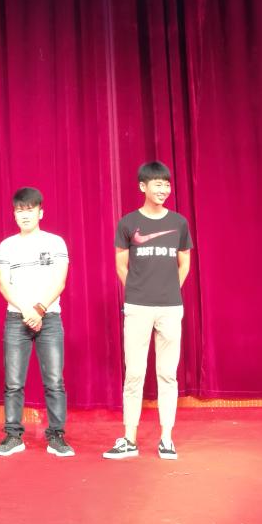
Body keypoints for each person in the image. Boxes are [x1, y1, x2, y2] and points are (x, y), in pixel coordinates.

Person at [104, 161, 193, 460]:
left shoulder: (179, 223)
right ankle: (129, 438)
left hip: (170, 308)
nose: (163, 189)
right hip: (138, 307)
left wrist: (170, 290)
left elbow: (184, 262)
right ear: (143, 186)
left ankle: (166, 438)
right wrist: (138, 292)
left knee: (167, 374)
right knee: (134, 373)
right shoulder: (128, 223)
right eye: (157, 184)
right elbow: (121, 265)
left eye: (167, 184)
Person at [0, 187, 74, 457]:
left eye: (29, 210)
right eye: (19, 210)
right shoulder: (7, 245)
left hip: (49, 318)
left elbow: (59, 282)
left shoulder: (55, 242)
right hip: (16, 318)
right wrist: (27, 310)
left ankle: (56, 436)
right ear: (14, 214)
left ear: (41, 212)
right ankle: (13, 436)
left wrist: (38, 309)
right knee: (13, 382)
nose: (24, 215)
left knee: (54, 381)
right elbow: (3, 284)